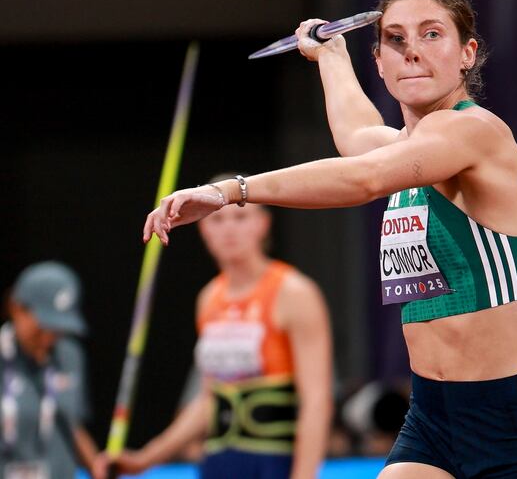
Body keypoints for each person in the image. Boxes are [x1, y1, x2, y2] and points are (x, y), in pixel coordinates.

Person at [143, 0, 517, 479]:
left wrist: (230, 190)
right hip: (433, 417)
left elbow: (365, 177)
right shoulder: (409, 148)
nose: (413, 52)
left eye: (431, 34)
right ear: (378, 62)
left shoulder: (474, 131)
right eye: (396, 39)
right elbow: (357, 136)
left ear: (467, 53)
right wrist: (333, 55)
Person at [116, 177, 333, 479]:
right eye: (217, 219)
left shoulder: (294, 293)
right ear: (203, 228)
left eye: (241, 216)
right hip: (219, 464)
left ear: (262, 223)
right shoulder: (209, 299)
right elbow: (208, 400)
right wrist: (145, 459)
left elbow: (316, 400)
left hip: (273, 464)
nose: (229, 229)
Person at [1, 261, 105, 479]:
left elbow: (71, 425)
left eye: (58, 329)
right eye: (42, 326)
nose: (48, 338)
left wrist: (98, 467)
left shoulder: (70, 355)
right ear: (15, 308)